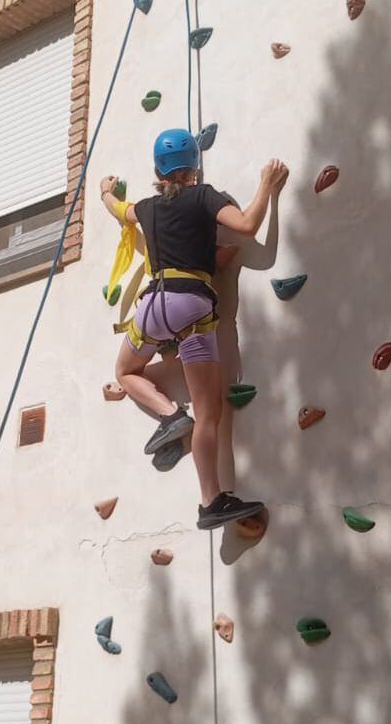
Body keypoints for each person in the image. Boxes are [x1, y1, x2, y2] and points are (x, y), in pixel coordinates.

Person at [100, 130, 288, 530]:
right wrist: (267, 186)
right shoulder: (204, 196)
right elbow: (248, 225)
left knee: (124, 372)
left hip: (153, 309)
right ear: (195, 170)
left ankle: (168, 415)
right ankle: (211, 500)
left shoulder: (147, 207)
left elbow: (119, 211)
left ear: (157, 171)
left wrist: (105, 191)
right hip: (192, 309)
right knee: (210, 414)